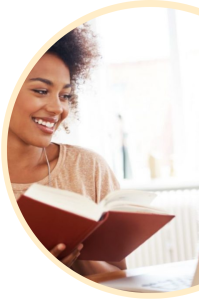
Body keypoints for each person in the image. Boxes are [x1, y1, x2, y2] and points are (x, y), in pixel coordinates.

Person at [8, 24, 127, 276]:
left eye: (65, 96)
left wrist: (77, 256)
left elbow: (119, 277)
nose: (57, 108)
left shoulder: (88, 168)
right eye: (41, 91)